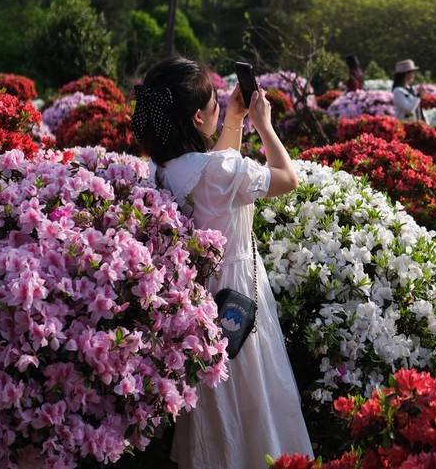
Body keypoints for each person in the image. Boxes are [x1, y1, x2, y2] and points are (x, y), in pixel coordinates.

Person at [131, 57, 313, 469]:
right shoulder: (218, 169)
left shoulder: (161, 169)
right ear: (197, 117)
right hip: (238, 301)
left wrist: (232, 119)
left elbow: (214, 177)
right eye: (214, 103)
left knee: (216, 402)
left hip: (198, 305)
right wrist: (263, 124)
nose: (219, 107)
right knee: (254, 392)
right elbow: (287, 178)